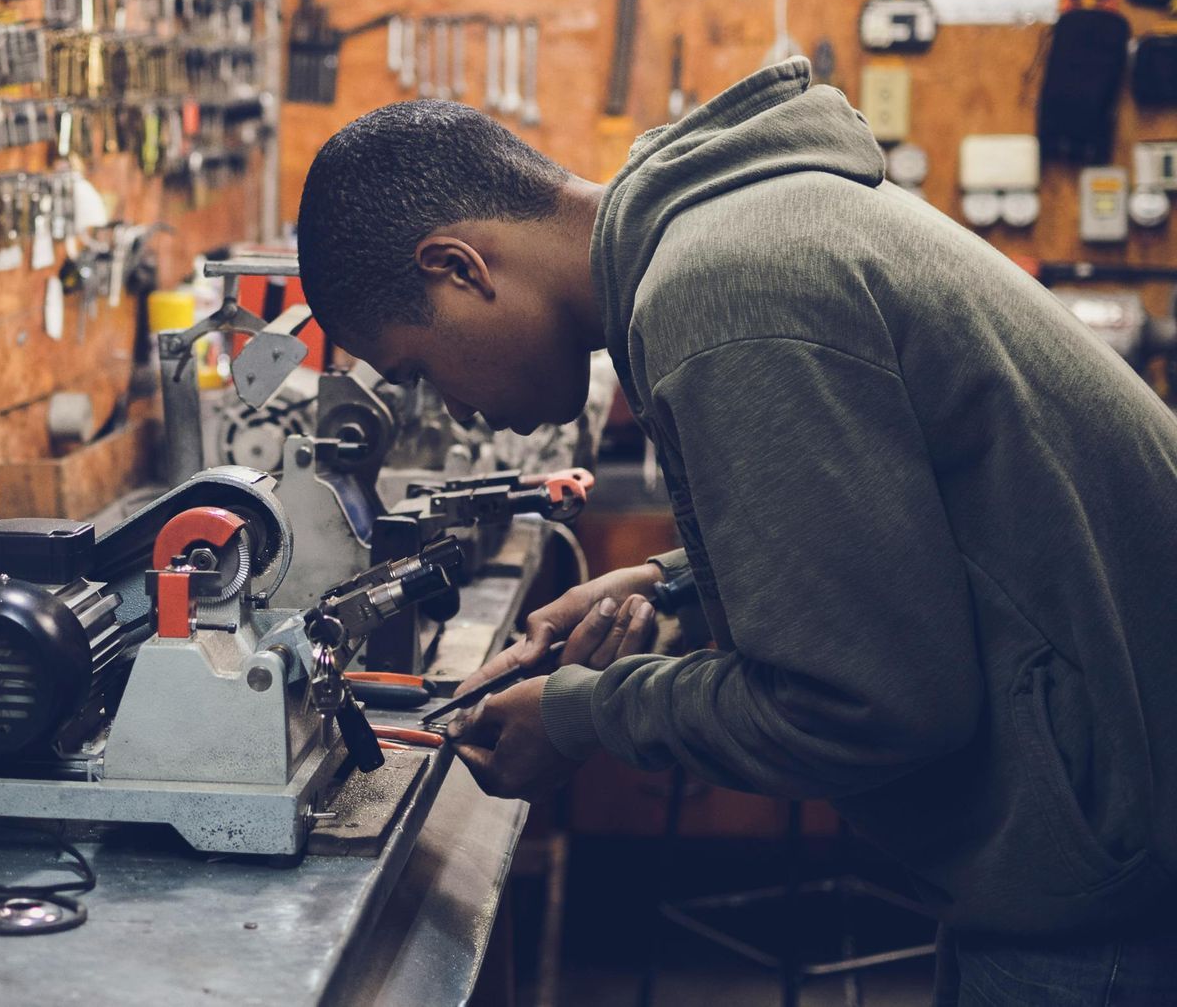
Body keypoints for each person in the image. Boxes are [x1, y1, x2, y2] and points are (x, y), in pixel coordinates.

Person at [294, 59, 1177, 1004]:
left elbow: (867, 703)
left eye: (419, 368)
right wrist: (667, 580)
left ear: (460, 266)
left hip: (1107, 892)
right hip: (1097, 840)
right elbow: (908, 521)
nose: (452, 411)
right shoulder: (734, 230)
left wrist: (585, 717)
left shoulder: (720, 295)